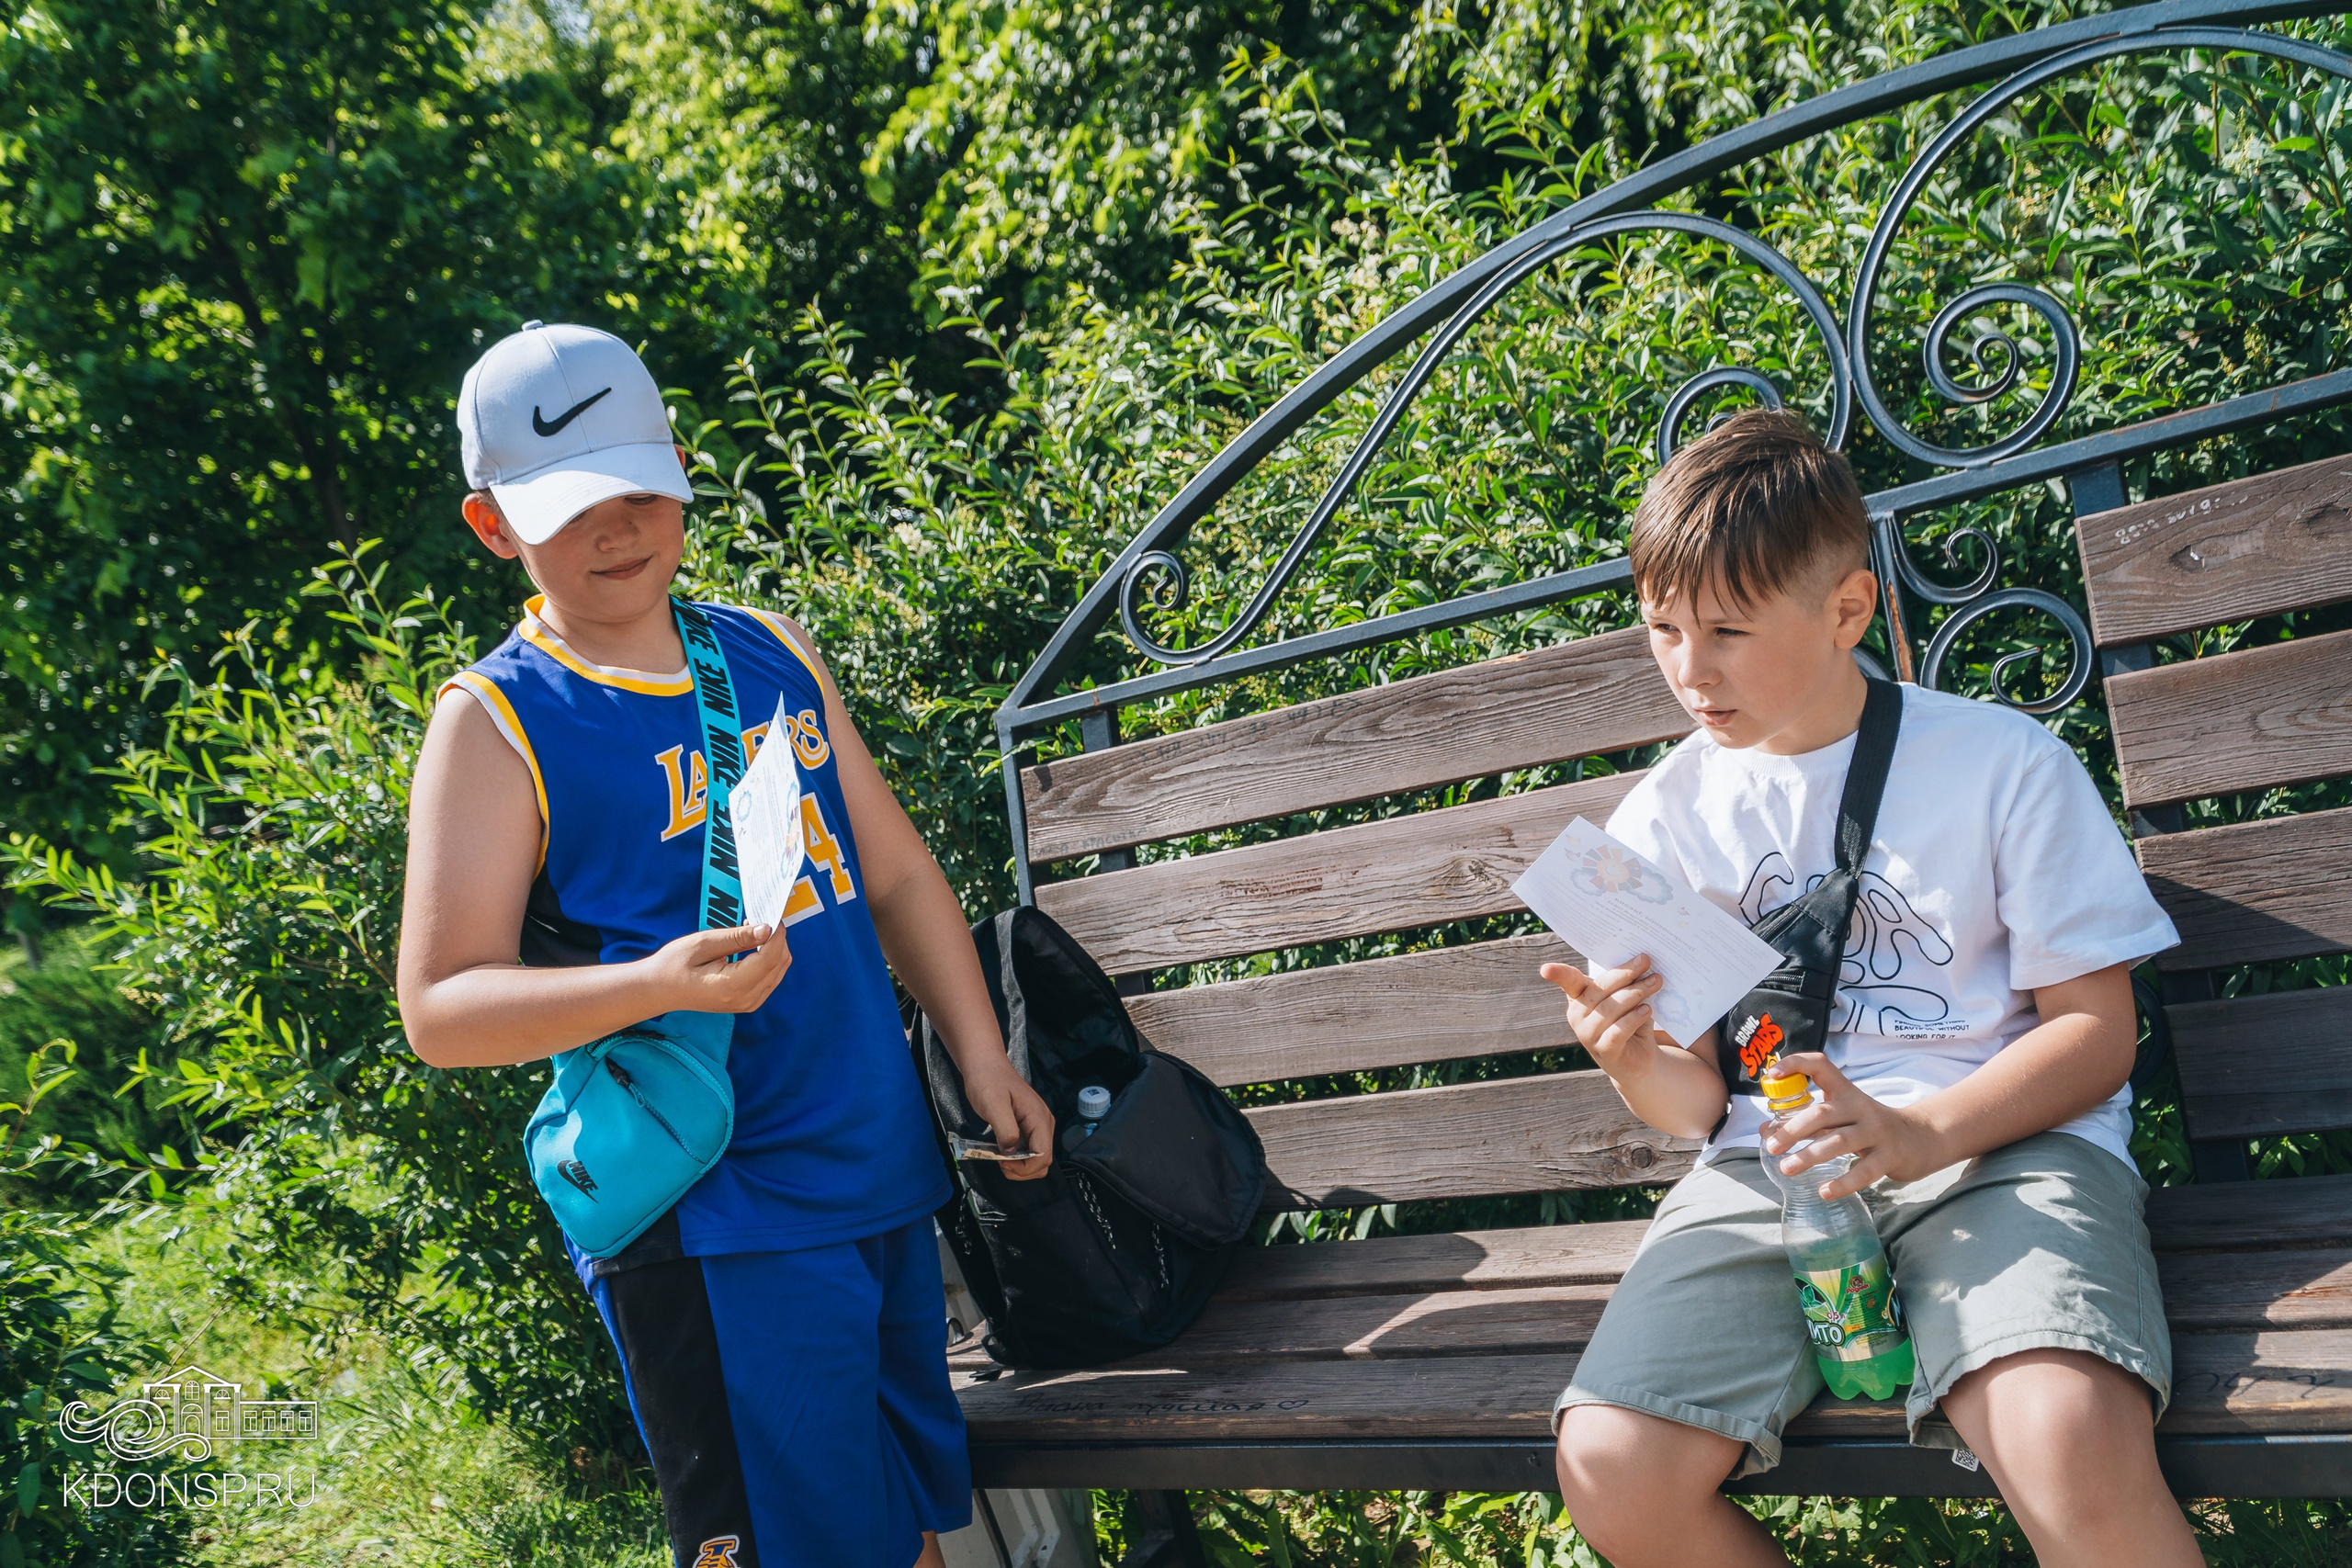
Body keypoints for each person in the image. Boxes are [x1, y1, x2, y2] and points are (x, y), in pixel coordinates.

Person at [396, 321, 1053, 1568]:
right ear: (495, 526)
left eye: (642, 487)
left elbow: (899, 869)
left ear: (683, 471)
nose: (617, 527)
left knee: (906, 1533)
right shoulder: (494, 722)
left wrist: (982, 1052)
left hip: (875, 1171)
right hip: (720, 1222)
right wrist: (649, 981)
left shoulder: (766, 648)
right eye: (572, 502)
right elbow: (438, 1006)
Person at [1541, 410, 2199, 1567]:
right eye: (1662, 630)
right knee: (1611, 1466)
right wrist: (1633, 1059)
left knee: (2063, 1438)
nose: (1690, 670)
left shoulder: (2002, 766)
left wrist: (1918, 1131)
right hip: (1769, 1177)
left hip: (2002, 1149)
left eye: (1728, 632)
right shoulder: (1654, 823)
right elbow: (1700, 1111)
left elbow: (2098, 1036)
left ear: (1846, 609)